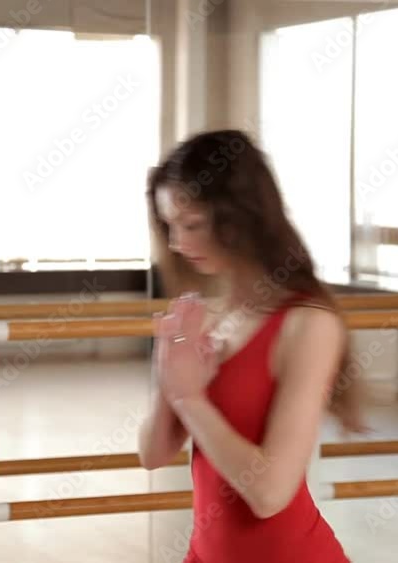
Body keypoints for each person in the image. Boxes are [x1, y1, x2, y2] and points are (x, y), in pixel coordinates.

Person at [138, 130, 366, 562]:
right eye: (170, 226)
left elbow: (268, 493)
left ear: (239, 218)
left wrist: (189, 398)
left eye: (191, 225)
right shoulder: (206, 318)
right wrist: (167, 370)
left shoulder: (309, 325)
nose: (177, 244)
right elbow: (153, 453)